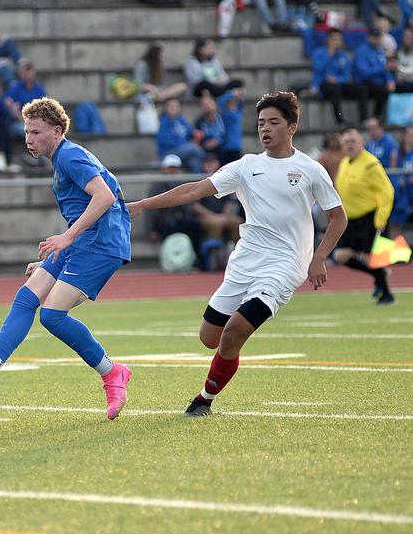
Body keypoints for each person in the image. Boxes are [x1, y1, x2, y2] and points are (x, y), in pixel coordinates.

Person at [128, 91, 347, 417]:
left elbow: (338, 218)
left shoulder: (310, 169)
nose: (266, 128)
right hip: (245, 261)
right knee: (209, 337)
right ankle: (225, 358)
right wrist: (143, 204)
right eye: (261, 123)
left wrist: (317, 257)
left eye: (274, 122)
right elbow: (193, 190)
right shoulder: (247, 166)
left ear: (292, 126)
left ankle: (204, 399)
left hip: (285, 264)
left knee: (233, 333)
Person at [0, 97, 134, 421]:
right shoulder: (63, 158)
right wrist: (61, 247)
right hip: (83, 241)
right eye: (27, 132)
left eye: (36, 132)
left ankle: (113, 373)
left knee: (52, 316)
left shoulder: (69, 155)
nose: (28, 139)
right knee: (27, 296)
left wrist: (67, 238)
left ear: (57, 131)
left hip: (101, 244)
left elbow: (105, 196)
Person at [333, 125, 395, 305]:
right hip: (350, 219)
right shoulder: (345, 162)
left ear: (362, 142)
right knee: (340, 256)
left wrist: (381, 218)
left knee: (371, 259)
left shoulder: (370, 164)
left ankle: (387, 294)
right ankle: (380, 276)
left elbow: (387, 191)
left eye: (353, 141)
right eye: (346, 142)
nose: (350, 145)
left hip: (369, 217)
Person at [148, 154, 204, 259]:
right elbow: (151, 208)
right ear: (164, 168)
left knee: (196, 225)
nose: (172, 170)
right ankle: (171, 259)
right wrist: (151, 229)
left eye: (175, 168)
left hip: (181, 217)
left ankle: (199, 259)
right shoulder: (157, 185)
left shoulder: (183, 182)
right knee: (169, 225)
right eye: (170, 167)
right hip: (164, 219)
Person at [310, 28, 356, 125]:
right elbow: (317, 70)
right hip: (322, 85)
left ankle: (365, 120)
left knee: (361, 89)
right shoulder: (318, 53)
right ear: (327, 39)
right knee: (335, 89)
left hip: (338, 84)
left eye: (339, 39)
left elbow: (347, 76)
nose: (336, 42)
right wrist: (329, 54)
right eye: (334, 39)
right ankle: (340, 121)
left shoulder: (343, 55)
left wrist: (337, 79)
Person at [353, 28, 395, 120]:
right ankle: (364, 119)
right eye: (374, 37)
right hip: (363, 82)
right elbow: (364, 73)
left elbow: (386, 69)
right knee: (363, 90)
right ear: (368, 37)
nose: (376, 40)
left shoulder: (379, 51)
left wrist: (390, 80)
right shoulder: (361, 51)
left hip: (376, 83)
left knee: (387, 89)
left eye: (378, 37)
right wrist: (382, 69)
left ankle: (377, 116)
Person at [5, 58, 47, 146]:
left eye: (29, 70)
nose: (27, 73)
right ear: (20, 73)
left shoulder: (39, 89)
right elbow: (11, 109)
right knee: (26, 130)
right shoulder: (14, 88)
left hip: (35, 122)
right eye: (24, 70)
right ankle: (40, 157)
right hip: (17, 123)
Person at [156, 97, 205, 173]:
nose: (174, 108)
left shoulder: (181, 119)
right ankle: (207, 159)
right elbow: (167, 142)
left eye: (176, 106)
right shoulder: (164, 122)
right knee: (194, 148)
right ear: (166, 108)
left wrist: (195, 133)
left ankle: (199, 182)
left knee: (194, 160)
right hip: (169, 152)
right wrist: (185, 146)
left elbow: (189, 131)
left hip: (183, 151)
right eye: (171, 106)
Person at [389, 126, 413, 237]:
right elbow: (393, 174)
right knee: (395, 225)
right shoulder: (396, 153)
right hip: (402, 194)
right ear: (404, 136)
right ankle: (396, 253)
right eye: (410, 135)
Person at [218, 89, 245, 166]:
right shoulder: (225, 113)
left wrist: (239, 97)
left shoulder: (237, 113)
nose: (232, 104)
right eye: (230, 102)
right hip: (227, 146)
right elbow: (219, 101)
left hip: (236, 146)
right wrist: (231, 94)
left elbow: (241, 104)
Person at [395, 27, 413, 92]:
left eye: (409, 37)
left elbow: (411, 71)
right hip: (401, 81)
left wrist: (398, 68)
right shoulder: (400, 51)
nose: (406, 39)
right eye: (405, 36)